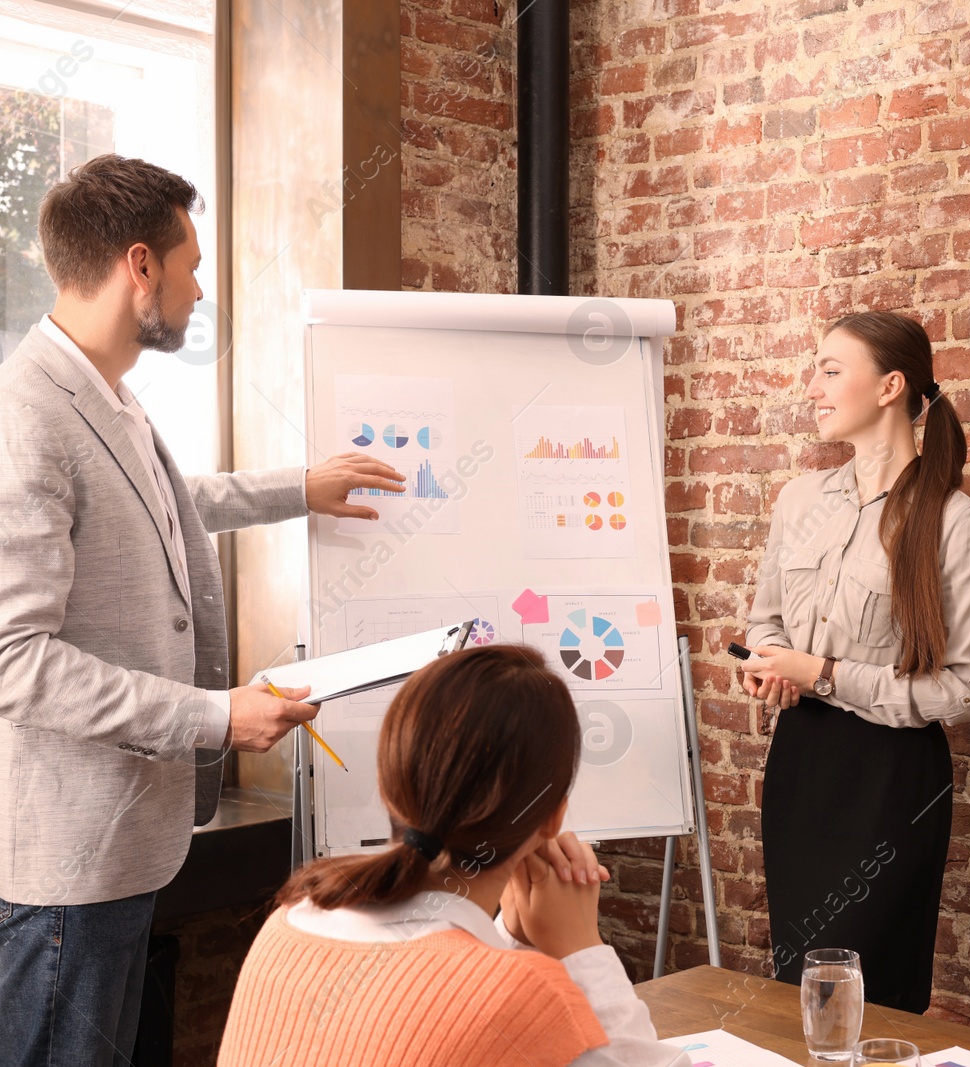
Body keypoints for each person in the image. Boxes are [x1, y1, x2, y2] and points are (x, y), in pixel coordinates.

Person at [0, 154, 404, 1067]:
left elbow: (172, 497)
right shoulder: (28, 413)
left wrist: (301, 486)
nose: (197, 286)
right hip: (67, 862)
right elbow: (13, 659)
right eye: (189, 263)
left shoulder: (107, 396)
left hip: (123, 845)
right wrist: (215, 713)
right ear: (137, 264)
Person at [219, 644, 691, 1067]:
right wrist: (580, 950)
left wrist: (513, 936)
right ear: (553, 817)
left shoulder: (291, 921)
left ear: (388, 789)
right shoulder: (521, 995)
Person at [740, 310, 970, 1012]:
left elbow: (964, 687)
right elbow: (766, 620)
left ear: (890, 386)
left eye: (829, 369)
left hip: (893, 783)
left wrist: (818, 673)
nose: (812, 387)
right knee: (805, 982)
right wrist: (767, 661)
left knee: (871, 984)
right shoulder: (798, 500)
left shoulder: (949, 518)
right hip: (802, 765)